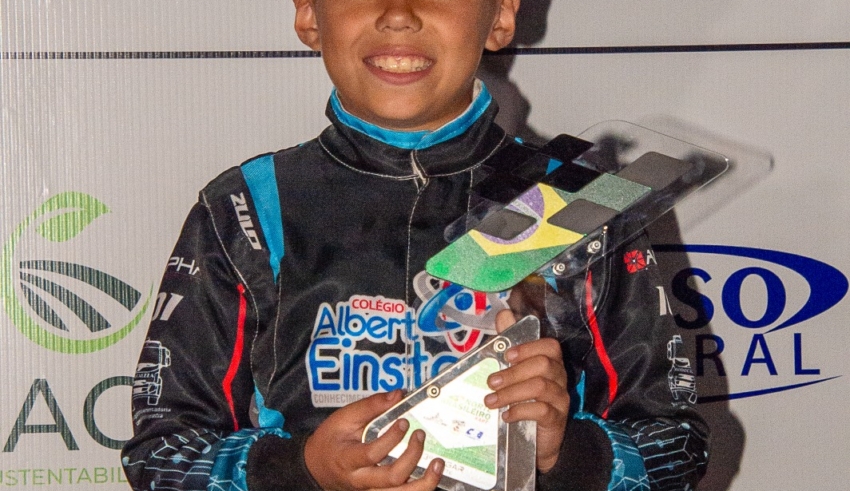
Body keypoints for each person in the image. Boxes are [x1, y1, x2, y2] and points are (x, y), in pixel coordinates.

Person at [121, 1, 709, 490]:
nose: (398, 14)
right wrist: (304, 469)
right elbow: (162, 456)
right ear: (308, 14)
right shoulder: (250, 204)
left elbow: (675, 447)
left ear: (502, 15)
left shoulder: (579, 201)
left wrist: (563, 453)